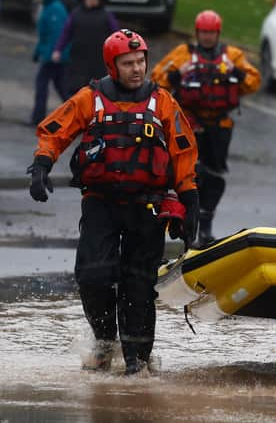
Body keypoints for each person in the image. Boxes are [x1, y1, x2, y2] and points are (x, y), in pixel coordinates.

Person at [27, 29, 199, 375]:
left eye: (141, 61)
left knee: (138, 283)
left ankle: (138, 361)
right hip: (101, 202)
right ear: (112, 65)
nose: (137, 69)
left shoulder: (162, 101)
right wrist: (42, 164)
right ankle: (105, 343)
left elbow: (183, 150)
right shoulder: (90, 98)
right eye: (128, 63)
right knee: (92, 275)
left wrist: (189, 202)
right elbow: (55, 130)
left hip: (147, 207)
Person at [151, 9, 261, 244]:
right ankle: (186, 220)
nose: (208, 37)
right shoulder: (183, 54)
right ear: (197, 32)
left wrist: (238, 74)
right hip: (190, 122)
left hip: (220, 124)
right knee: (188, 172)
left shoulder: (232, 56)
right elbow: (157, 78)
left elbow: (253, 81)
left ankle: (206, 221)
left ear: (218, 33)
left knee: (215, 175)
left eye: (212, 33)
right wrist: (176, 76)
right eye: (204, 32)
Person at [52, 0, 119, 98]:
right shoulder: (75, 14)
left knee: (98, 91)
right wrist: (58, 49)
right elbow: (66, 33)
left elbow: (116, 35)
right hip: (78, 59)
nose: (91, 1)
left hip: (98, 61)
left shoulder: (106, 15)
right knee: (76, 90)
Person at [30, 0, 70, 125]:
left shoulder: (54, 9)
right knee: (61, 86)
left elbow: (56, 35)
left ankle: (38, 117)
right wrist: (37, 52)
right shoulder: (48, 7)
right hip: (52, 55)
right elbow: (44, 36)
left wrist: (50, 55)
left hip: (54, 57)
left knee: (42, 85)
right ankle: (79, 113)